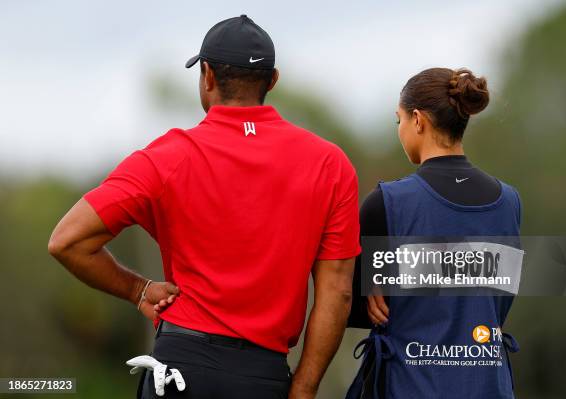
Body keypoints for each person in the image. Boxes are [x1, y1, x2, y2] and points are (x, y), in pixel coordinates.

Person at [48, 15, 361, 399]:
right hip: (263, 378)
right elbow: (338, 294)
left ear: (207, 75)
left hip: (183, 372)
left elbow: (67, 241)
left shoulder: (167, 156)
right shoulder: (330, 164)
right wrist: (304, 388)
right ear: (272, 80)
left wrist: (137, 290)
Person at [346, 68, 522, 399]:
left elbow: (353, 306)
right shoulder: (508, 201)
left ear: (418, 120)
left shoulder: (386, 203)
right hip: (488, 385)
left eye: (397, 119)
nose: (399, 129)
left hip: (410, 385)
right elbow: (497, 298)